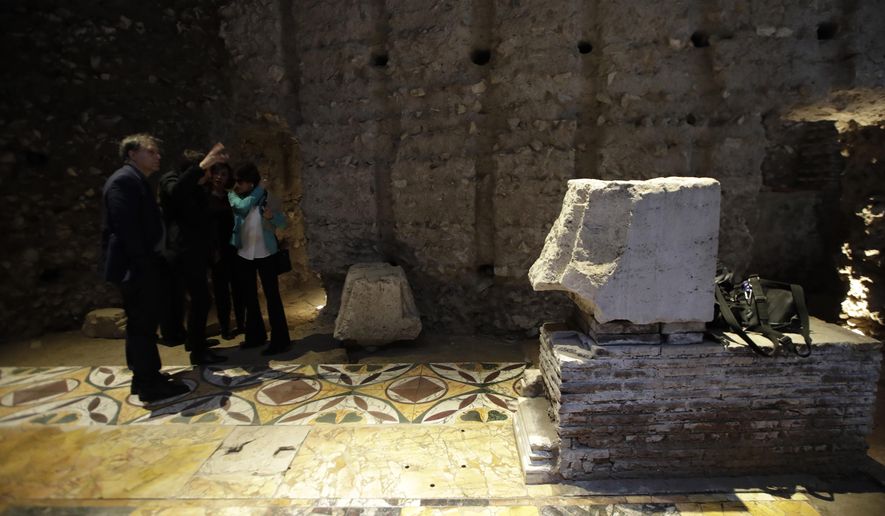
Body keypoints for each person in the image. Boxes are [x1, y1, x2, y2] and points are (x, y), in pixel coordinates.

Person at [101, 133, 189, 402]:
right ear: (132, 154)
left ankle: (144, 377)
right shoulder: (124, 182)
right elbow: (126, 230)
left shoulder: (136, 181)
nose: (157, 156)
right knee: (142, 324)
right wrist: (146, 265)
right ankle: (149, 383)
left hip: (142, 264)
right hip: (137, 268)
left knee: (144, 324)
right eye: (151, 151)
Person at [158, 144, 229, 365]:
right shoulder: (171, 181)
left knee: (200, 299)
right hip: (181, 251)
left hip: (196, 251)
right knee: (199, 299)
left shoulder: (198, 187)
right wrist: (202, 167)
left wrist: (212, 248)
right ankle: (197, 351)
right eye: (207, 171)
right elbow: (177, 192)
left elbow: (205, 219)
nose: (209, 176)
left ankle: (194, 341)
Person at [229, 163, 290, 355]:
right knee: (249, 296)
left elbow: (283, 222)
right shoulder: (235, 197)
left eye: (242, 182)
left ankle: (280, 340)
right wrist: (258, 190)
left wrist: (272, 217)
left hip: (266, 252)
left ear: (251, 183)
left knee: (272, 296)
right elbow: (243, 208)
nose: (238, 185)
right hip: (244, 253)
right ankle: (255, 336)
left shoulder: (268, 197)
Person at [207, 162, 245, 339]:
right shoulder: (206, 198)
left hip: (233, 247)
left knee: (239, 287)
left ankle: (241, 323)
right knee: (221, 290)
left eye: (223, 174)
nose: (219, 177)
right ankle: (225, 327)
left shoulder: (230, 196)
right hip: (218, 249)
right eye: (217, 173)